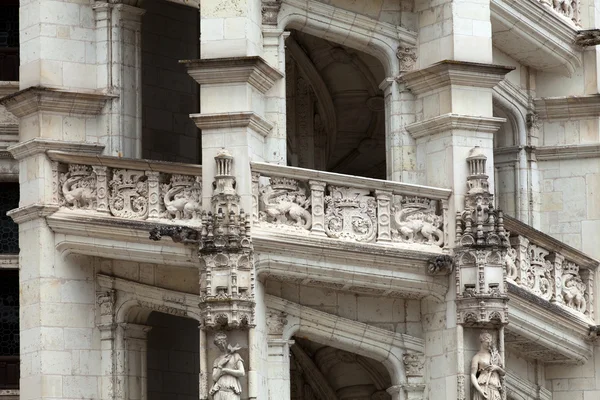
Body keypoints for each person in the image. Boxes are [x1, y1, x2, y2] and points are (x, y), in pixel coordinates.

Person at [210, 331, 245, 400]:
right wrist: (220, 365)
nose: (222, 345)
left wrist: (226, 370)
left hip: (231, 389)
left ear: (226, 341)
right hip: (219, 390)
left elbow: (242, 372)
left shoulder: (235, 356)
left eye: (223, 342)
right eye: (219, 344)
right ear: (217, 345)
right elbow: (214, 378)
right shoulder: (217, 360)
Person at [471, 331, 505, 400]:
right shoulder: (477, 357)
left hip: (494, 387)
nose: (489, 344)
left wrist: (496, 368)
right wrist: (480, 390)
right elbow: (473, 375)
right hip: (483, 386)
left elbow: (503, 372)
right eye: (487, 342)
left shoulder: (495, 355)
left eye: (490, 342)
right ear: (482, 341)